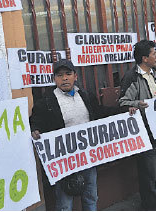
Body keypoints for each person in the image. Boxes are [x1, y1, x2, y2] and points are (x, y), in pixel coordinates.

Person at [30, 59, 116, 211]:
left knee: (90, 197)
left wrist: (126, 110)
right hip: (64, 161)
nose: (64, 78)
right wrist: (35, 130)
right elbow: (35, 121)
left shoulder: (85, 95)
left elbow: (100, 113)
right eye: (59, 75)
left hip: (88, 156)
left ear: (75, 76)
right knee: (65, 203)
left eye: (68, 74)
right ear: (54, 79)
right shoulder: (46, 102)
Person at [119, 40, 156, 211]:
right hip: (146, 133)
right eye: (154, 53)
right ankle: (151, 206)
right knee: (149, 173)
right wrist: (137, 104)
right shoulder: (131, 77)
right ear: (144, 58)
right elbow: (123, 103)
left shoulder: (154, 73)